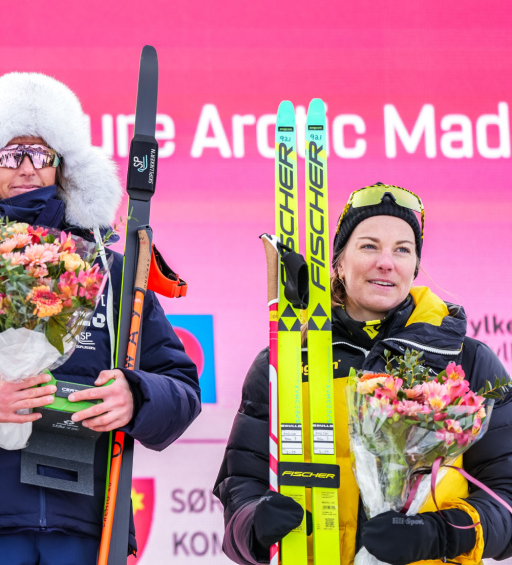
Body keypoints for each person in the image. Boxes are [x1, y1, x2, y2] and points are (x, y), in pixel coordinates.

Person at [0, 72, 202, 564]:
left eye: (41, 154)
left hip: (89, 526)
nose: (27, 167)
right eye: (11, 155)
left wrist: (135, 396)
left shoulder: (111, 271)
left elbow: (181, 387)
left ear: (62, 165)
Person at [214, 183, 512, 565]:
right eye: (369, 246)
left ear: (414, 267)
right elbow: (241, 486)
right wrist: (254, 525)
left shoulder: (466, 361)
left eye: (402, 249)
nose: (386, 262)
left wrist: (439, 534)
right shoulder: (284, 361)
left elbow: (506, 498)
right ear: (339, 262)